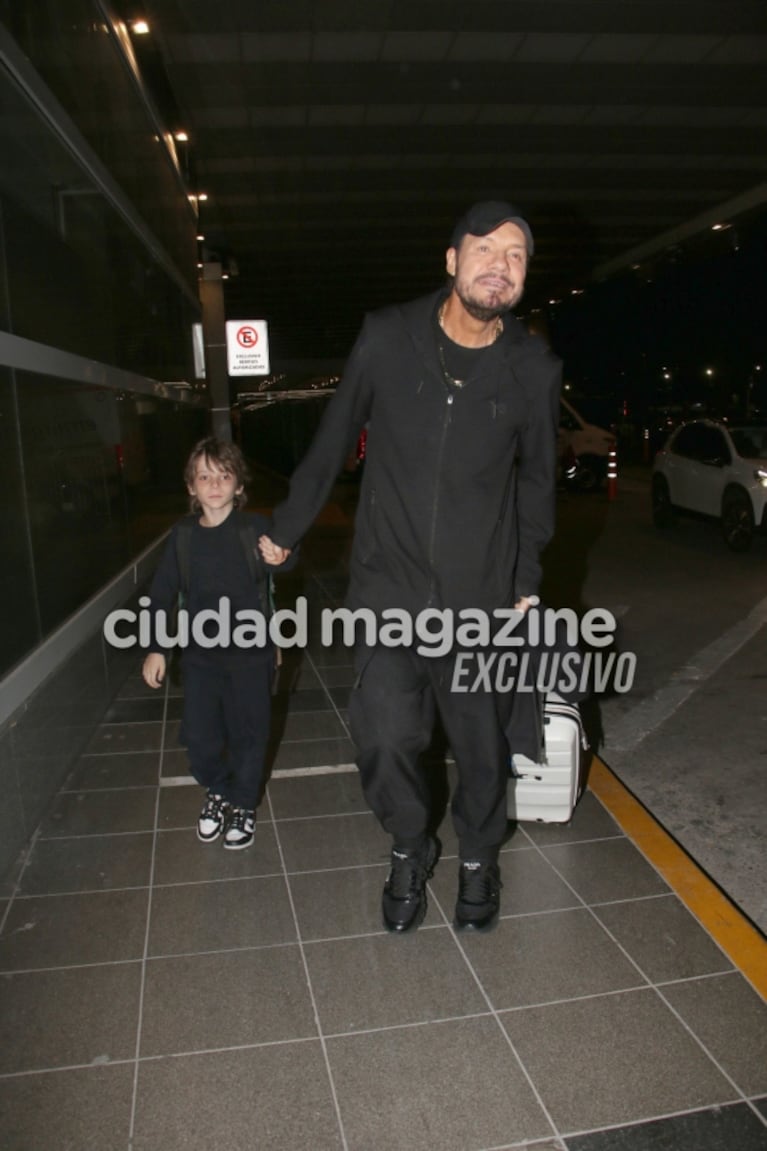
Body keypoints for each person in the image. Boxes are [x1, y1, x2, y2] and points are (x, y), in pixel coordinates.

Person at [259, 201, 561, 930]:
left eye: (515, 255)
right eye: (484, 249)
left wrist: (524, 579)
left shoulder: (532, 368)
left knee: (482, 744)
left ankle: (479, 854)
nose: (500, 265)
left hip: (482, 597)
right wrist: (286, 528)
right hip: (389, 589)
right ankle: (407, 844)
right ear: (451, 260)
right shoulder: (387, 337)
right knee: (386, 733)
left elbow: (536, 479)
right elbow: (333, 438)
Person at [142, 436, 293, 850]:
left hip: (251, 653)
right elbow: (162, 593)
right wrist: (157, 646)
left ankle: (242, 803)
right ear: (191, 487)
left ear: (238, 485)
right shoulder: (184, 535)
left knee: (250, 731)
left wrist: (282, 557)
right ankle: (219, 789)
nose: (214, 484)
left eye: (223, 475)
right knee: (200, 737)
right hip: (201, 657)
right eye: (204, 476)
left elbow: (284, 557)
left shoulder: (254, 527)